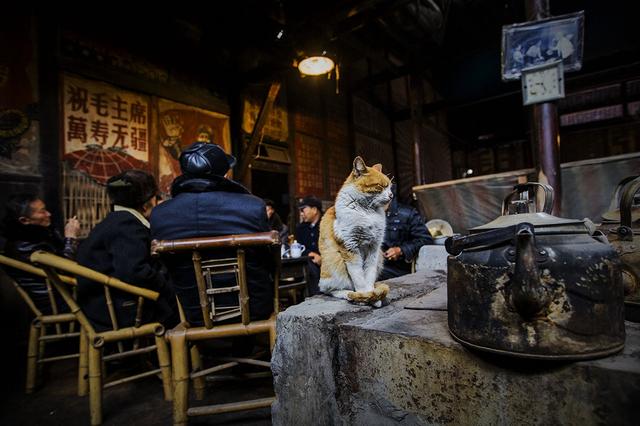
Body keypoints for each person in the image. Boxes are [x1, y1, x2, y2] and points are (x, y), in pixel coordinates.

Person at [150, 142, 276, 326]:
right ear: (225, 174)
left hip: (194, 312)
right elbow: (268, 259)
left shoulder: (160, 214)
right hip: (253, 307)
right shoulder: (252, 206)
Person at [76, 170, 178, 331]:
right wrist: (169, 289)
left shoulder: (115, 220)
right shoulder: (126, 225)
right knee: (182, 304)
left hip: (99, 305)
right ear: (147, 203)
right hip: (118, 311)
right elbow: (135, 272)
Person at [2, 194, 80, 313]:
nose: (49, 214)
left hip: (66, 294)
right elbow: (67, 269)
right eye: (42, 212)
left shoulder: (39, 235)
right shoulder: (25, 246)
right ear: (24, 220)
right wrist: (71, 238)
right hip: (61, 301)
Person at [379, 185, 432, 281]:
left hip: (397, 269)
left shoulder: (408, 214)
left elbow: (426, 239)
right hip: (375, 266)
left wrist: (401, 250)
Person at [295, 195, 323, 295]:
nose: (301, 214)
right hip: (309, 262)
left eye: (303, 210)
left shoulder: (327, 224)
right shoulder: (300, 228)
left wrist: (322, 258)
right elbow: (298, 246)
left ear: (314, 209)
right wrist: (311, 253)